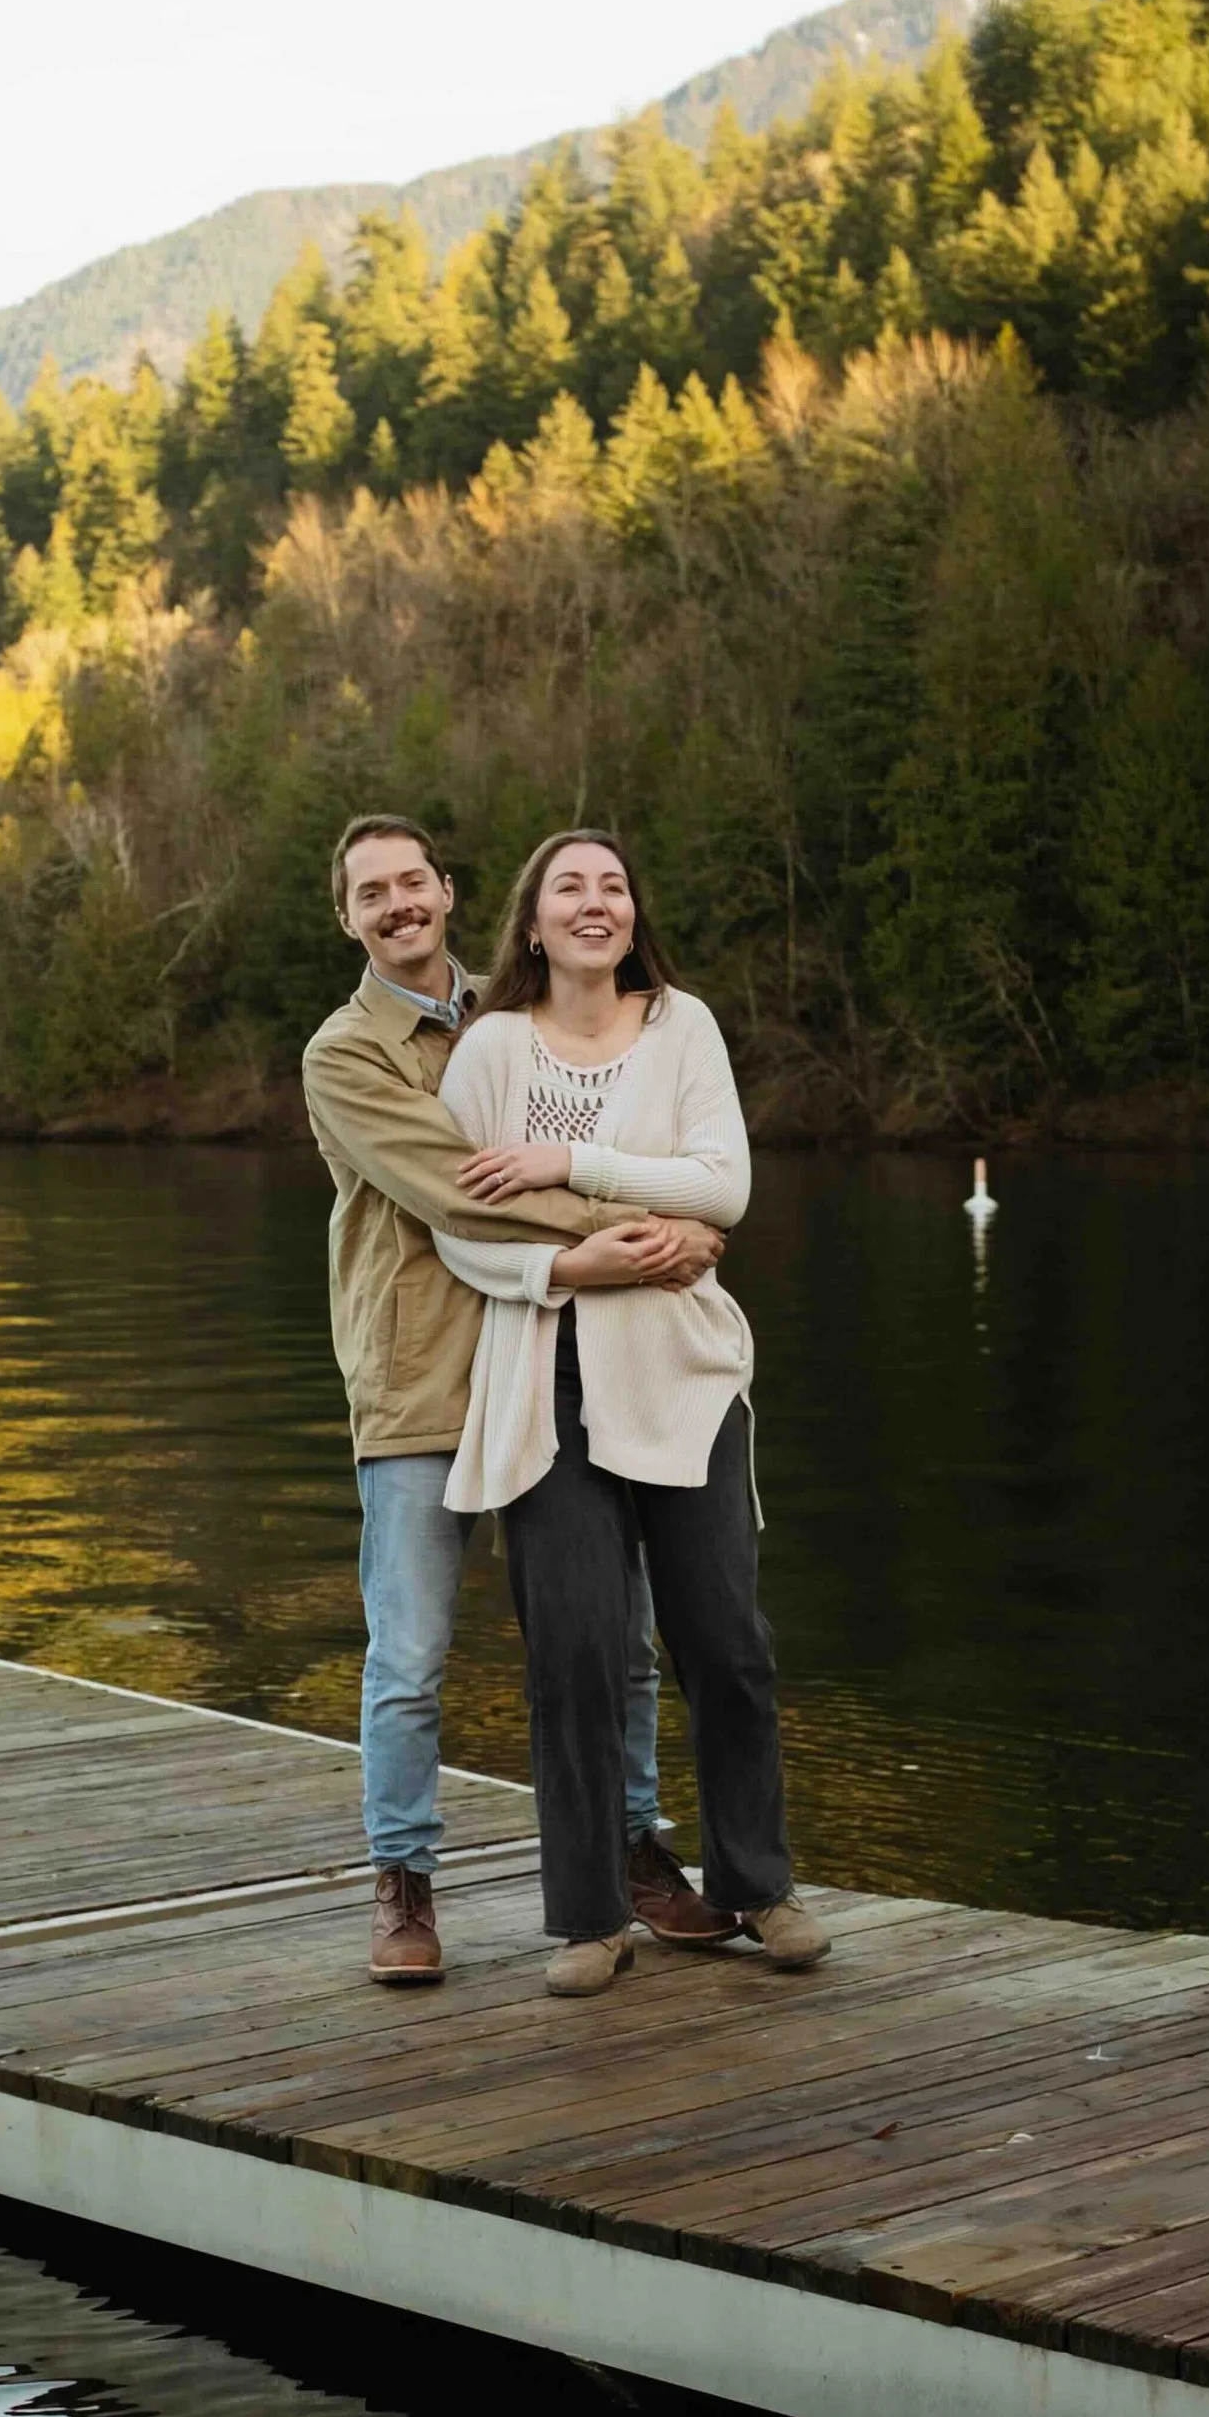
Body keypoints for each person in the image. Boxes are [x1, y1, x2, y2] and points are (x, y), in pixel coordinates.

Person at [301, 814, 741, 1988]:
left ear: (448, 892)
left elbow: (615, 1134)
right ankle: (402, 1882)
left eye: (413, 882)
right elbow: (459, 1192)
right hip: (421, 1385)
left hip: (560, 1367)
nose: (397, 904)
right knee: (410, 1654)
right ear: (345, 918)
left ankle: (635, 1852)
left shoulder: (527, 1016)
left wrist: (653, 1211)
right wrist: (656, 1232)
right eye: (369, 893)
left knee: (617, 1643)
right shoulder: (343, 1055)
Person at [434, 829, 829, 1996]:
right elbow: (454, 1224)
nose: (594, 903)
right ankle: (590, 1919)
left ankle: (759, 1886)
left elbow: (724, 1189)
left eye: (612, 886)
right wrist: (566, 1272)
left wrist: (568, 1163)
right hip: (545, 1379)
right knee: (576, 1654)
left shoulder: (683, 1026)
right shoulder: (490, 1049)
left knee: (726, 1646)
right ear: (533, 922)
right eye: (570, 887)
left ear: (631, 914)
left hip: (682, 1372)